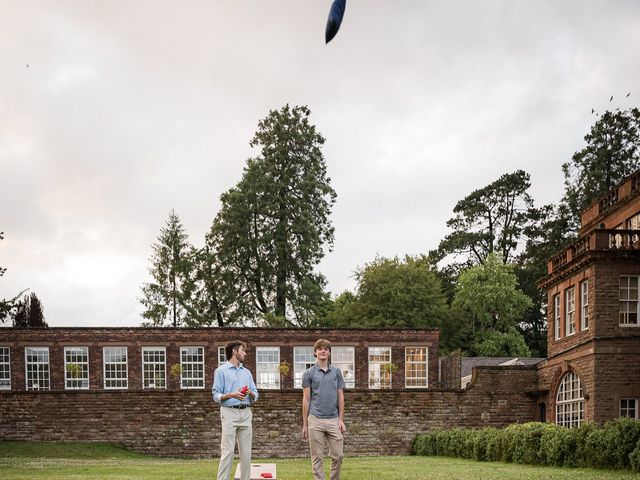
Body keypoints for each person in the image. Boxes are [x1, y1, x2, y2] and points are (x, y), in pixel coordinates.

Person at [212, 340, 259, 480]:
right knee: (228, 452)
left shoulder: (247, 372)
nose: (245, 353)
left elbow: (256, 395)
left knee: (246, 453)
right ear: (234, 351)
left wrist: (249, 392)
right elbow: (216, 395)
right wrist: (232, 394)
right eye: (242, 350)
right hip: (229, 412)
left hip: (246, 413)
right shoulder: (221, 371)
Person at [301, 338, 346, 480]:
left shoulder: (337, 372)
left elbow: (341, 397)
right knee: (317, 457)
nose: (323, 350)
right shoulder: (308, 374)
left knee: (338, 455)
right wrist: (305, 425)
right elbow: (306, 399)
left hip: (333, 419)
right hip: (315, 420)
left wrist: (341, 419)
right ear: (315, 352)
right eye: (320, 348)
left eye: (326, 349)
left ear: (329, 353)